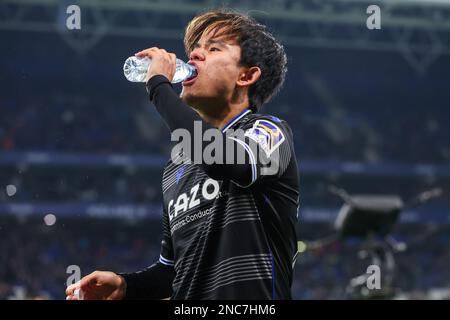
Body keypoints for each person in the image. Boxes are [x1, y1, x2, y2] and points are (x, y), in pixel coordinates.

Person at [66, 9, 299, 300]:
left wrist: (158, 87)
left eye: (213, 48)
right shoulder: (177, 164)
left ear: (247, 75)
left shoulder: (269, 132)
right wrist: (126, 286)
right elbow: (174, 271)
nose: (195, 56)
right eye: (195, 49)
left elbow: (225, 160)